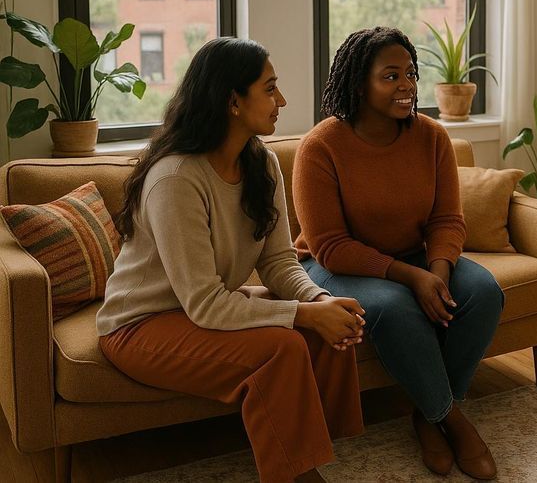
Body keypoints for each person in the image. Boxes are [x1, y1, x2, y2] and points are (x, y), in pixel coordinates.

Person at [96, 38, 365, 483]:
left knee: (330, 325)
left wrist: (319, 302)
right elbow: (205, 303)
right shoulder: (177, 178)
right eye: (270, 88)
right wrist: (303, 315)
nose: (282, 101)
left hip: (202, 306)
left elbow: (279, 261)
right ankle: (296, 473)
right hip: (140, 323)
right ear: (233, 101)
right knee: (283, 345)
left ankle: (316, 450)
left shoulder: (262, 164)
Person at [294, 26, 505, 480]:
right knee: (394, 307)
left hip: (414, 256)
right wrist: (413, 278)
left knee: (484, 291)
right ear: (359, 83)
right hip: (334, 267)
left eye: (410, 73)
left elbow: (447, 220)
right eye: (391, 76)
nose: (407, 85)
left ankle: (425, 410)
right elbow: (330, 245)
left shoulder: (431, 136)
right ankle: (449, 419)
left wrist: (440, 271)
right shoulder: (320, 147)